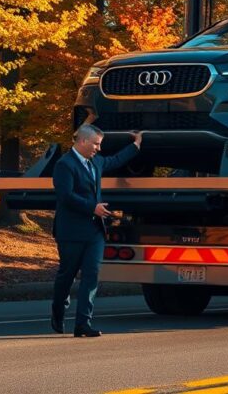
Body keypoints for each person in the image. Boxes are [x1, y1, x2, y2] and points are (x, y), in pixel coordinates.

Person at [51, 125, 142, 337]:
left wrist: (136, 145)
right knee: (67, 276)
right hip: (71, 232)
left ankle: (83, 324)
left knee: (92, 275)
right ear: (82, 141)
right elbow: (65, 196)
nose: (98, 149)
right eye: (96, 144)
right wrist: (92, 207)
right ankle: (57, 310)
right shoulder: (64, 165)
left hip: (94, 232)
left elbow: (115, 160)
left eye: (99, 144)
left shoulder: (96, 162)